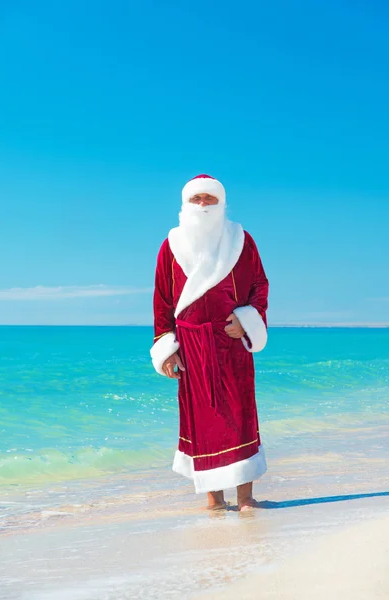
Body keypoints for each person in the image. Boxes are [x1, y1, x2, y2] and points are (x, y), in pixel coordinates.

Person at [150, 174, 269, 511]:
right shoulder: (171, 245)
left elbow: (260, 285)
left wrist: (246, 320)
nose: (203, 205)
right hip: (190, 345)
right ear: (186, 204)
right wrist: (167, 347)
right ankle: (214, 499)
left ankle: (245, 498)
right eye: (197, 199)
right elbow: (162, 299)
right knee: (202, 419)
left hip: (230, 342)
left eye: (210, 199)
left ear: (221, 203)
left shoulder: (241, 240)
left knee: (240, 415)